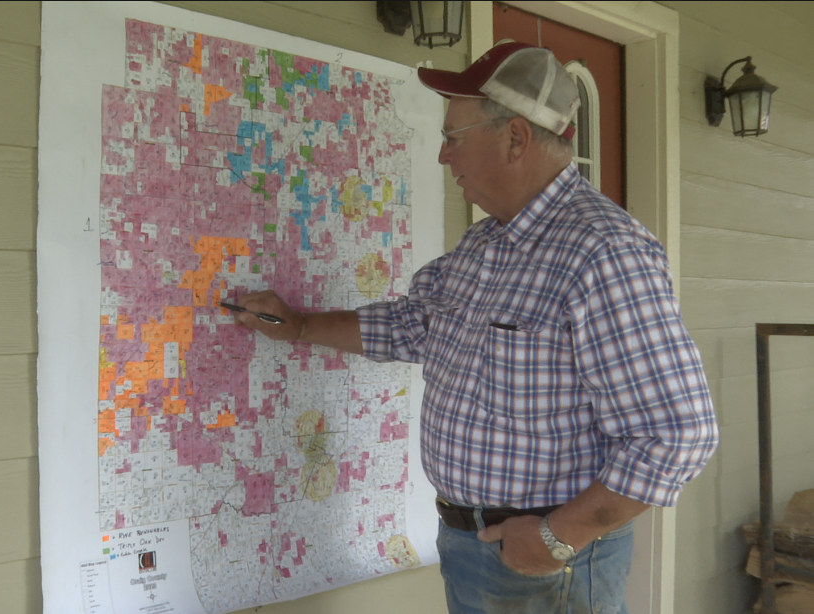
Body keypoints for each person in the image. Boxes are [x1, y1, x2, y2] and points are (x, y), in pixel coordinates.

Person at [233, 42, 718, 613]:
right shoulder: (484, 244)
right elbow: (412, 327)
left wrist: (558, 537)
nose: (442, 156)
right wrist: (299, 327)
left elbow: (678, 432)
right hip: (471, 545)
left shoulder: (602, 252)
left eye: (453, 138)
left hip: (542, 565)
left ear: (516, 138)